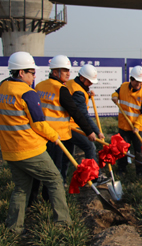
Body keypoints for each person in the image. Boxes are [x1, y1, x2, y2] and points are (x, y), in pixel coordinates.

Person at [0, 51, 72, 234]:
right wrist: (54, 136)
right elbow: (39, 124)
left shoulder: (2, 88)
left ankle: (14, 228)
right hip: (29, 149)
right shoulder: (27, 93)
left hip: (9, 150)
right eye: (31, 72)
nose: (34, 76)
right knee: (55, 179)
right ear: (21, 73)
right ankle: (63, 223)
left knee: (21, 187)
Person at [33, 55, 102, 201]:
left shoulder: (39, 86)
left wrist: (88, 96)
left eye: (68, 71)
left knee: (46, 166)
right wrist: (91, 131)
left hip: (41, 133)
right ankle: (53, 196)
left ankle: (42, 195)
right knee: (56, 167)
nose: (68, 74)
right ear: (55, 72)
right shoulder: (61, 89)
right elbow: (77, 112)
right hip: (58, 134)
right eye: (64, 71)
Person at [62, 64, 106, 185]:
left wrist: (87, 93)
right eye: (89, 81)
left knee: (67, 154)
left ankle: (62, 180)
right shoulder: (78, 92)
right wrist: (96, 131)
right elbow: (83, 115)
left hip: (63, 124)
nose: (91, 84)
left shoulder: (72, 84)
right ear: (82, 78)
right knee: (89, 146)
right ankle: (95, 177)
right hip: (71, 125)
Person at [112, 65, 142, 177]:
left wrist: (137, 126)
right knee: (122, 149)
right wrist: (115, 96)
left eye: (140, 82)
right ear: (131, 79)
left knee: (139, 150)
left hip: (139, 127)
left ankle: (140, 172)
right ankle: (122, 169)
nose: (138, 84)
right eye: (136, 81)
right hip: (124, 125)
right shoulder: (124, 87)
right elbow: (116, 93)